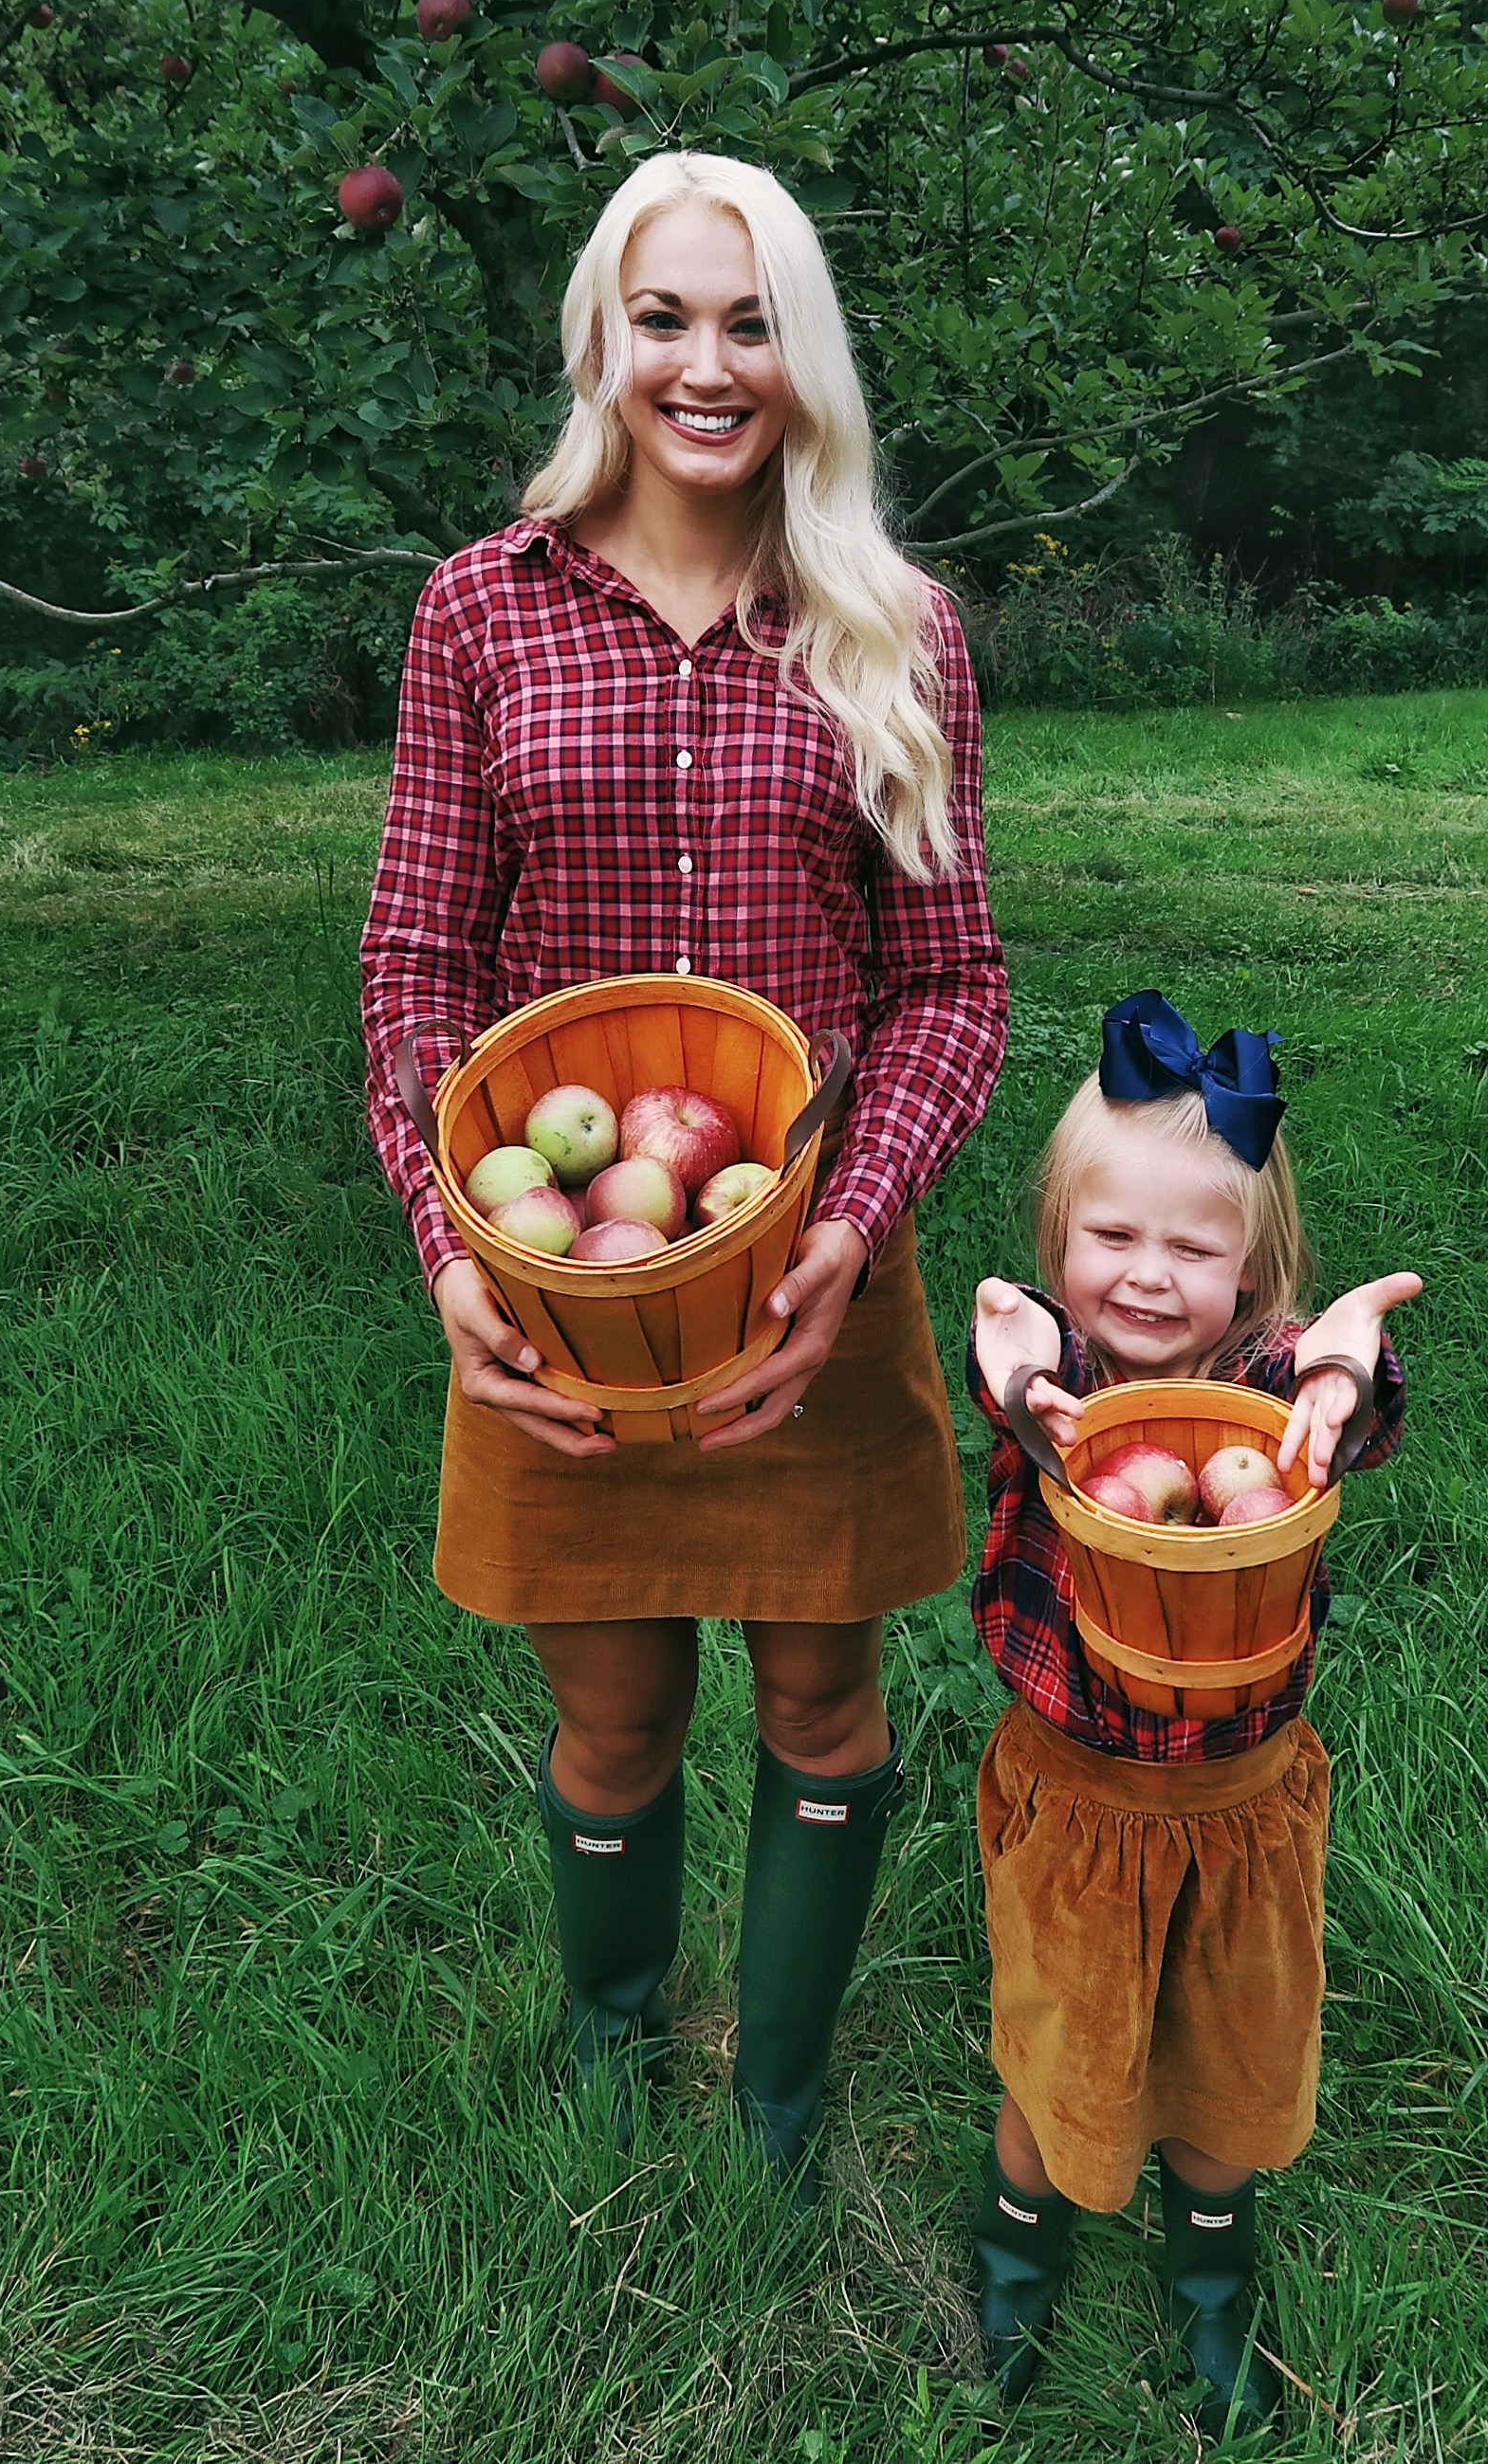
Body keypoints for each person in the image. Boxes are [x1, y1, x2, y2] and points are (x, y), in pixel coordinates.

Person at [360, 152, 1007, 2187]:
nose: (703, 365)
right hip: (564, 1284)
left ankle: (780, 2095)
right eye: (664, 318)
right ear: (599, 340)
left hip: (803, 1275)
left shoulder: (893, 629)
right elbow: (412, 967)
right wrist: (445, 1243)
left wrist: (854, 1221)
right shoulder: (484, 607)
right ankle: (611, 2040)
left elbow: (955, 983)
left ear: (801, 357)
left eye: (749, 322)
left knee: (823, 1695)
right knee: (612, 1712)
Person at [964, 991, 1419, 2435]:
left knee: (1229, 2044)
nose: (1150, 1276)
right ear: (1056, 1246)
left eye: (1193, 1246)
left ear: (1255, 1270)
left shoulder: (1272, 1401)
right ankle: (1019, 2237)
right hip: (1077, 1798)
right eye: (1114, 1237)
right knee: (1055, 2034)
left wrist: (1347, 1360)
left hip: (1238, 1805)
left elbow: (1346, 1401)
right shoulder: (1055, 1385)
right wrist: (1015, 1352)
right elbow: (1011, 1344)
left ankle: (1212, 2273)